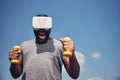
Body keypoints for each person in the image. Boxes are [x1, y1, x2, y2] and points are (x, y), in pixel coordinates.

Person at [8, 14, 80, 80]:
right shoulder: (23, 46)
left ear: (50, 28)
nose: (42, 29)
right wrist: (13, 62)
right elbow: (15, 75)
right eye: (38, 27)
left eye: (45, 27)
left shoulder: (59, 45)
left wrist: (72, 54)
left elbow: (75, 75)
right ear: (33, 28)